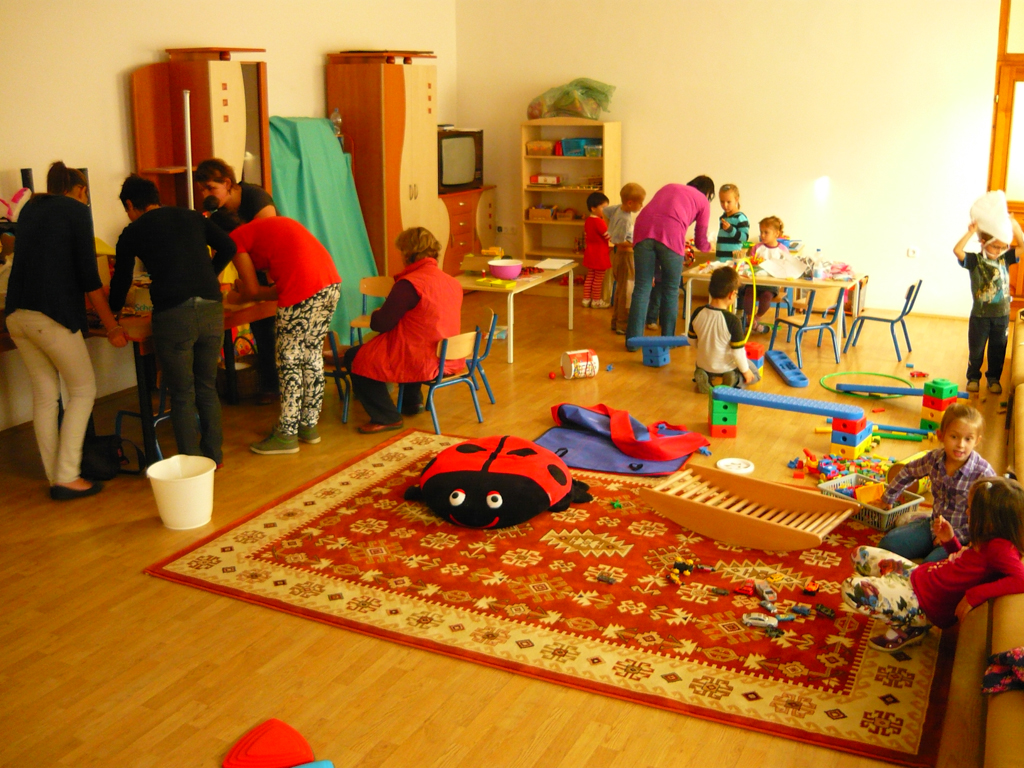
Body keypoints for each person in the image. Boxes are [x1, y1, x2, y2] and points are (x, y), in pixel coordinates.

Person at [5, 162, 127, 500]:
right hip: (51, 317)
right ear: (80, 189)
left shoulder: (30, 209)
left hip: (16, 315)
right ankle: (68, 475)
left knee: (46, 395)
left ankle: (55, 476)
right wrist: (112, 326)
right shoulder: (75, 211)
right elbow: (90, 279)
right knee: (83, 390)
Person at [110, 175, 237, 468]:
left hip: (174, 314)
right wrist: (208, 275)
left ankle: (192, 465)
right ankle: (214, 457)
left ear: (130, 204)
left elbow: (122, 278)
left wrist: (113, 312)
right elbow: (228, 246)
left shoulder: (133, 231)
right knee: (206, 387)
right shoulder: (191, 216)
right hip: (211, 308)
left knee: (182, 394)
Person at [841, 476, 1024, 653]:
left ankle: (910, 625)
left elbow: (1021, 579)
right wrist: (950, 541)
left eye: (971, 510)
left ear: (991, 520)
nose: (967, 512)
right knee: (859, 554)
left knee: (850, 588)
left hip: (924, 603)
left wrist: (974, 595)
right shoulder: (990, 539)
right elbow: (965, 566)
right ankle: (893, 591)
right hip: (920, 576)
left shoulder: (1000, 548)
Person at [228, 217, 342, 454]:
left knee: (289, 362)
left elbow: (252, 290)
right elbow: (273, 290)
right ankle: (308, 426)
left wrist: (237, 297)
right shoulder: (264, 231)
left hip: (303, 289)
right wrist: (249, 291)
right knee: (312, 357)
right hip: (329, 284)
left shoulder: (235, 240)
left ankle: (287, 434)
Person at [343, 228, 463, 434]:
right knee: (412, 343)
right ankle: (412, 401)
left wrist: (376, 313)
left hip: (422, 358)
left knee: (356, 356)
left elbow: (382, 324)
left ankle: (387, 417)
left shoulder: (409, 284)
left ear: (408, 253)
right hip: (447, 355)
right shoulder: (451, 281)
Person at [194, 158, 280, 404]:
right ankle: (269, 385)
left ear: (227, 183)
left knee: (271, 328)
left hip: (272, 265)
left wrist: (260, 288)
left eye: (210, 188)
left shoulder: (255, 197)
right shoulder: (218, 212)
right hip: (250, 265)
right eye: (202, 190)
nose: (206, 195)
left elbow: (270, 238)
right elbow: (220, 252)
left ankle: (277, 386)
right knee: (261, 330)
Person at [878, 404, 994, 562]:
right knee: (887, 545)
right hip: (934, 526)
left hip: (962, 539)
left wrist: (952, 537)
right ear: (941, 435)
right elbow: (908, 472)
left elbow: (989, 518)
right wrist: (888, 497)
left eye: (968, 439)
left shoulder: (983, 473)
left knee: (931, 566)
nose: (961, 444)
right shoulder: (934, 458)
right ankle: (920, 524)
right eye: (954, 437)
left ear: (977, 441)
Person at [626, 176, 715, 345]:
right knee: (671, 289)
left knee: (642, 287)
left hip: (642, 229)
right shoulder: (703, 200)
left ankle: (633, 342)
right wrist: (708, 247)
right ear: (709, 193)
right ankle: (667, 340)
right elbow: (700, 240)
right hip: (671, 234)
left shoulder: (670, 186)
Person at [953, 217, 1024, 394]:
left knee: (998, 349)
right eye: (995, 247)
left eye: (1003, 247)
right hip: (980, 316)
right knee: (976, 349)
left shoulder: (1005, 258)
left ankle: (993, 379)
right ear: (983, 243)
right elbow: (957, 250)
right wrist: (971, 232)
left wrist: (1016, 227)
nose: (999, 251)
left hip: (1002, 316)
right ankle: (973, 377)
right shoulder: (974, 260)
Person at [686, 265, 755, 393]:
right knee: (753, 371)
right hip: (725, 367)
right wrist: (746, 371)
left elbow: (691, 340)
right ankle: (733, 378)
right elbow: (738, 353)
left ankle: (704, 375)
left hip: (703, 364)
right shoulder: (733, 320)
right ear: (731, 294)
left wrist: (705, 348)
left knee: (705, 364)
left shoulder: (698, 312)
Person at [605, 183, 646, 335]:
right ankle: (622, 324)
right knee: (626, 291)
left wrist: (609, 229)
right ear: (630, 203)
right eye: (640, 203)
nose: (642, 206)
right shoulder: (625, 219)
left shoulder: (617, 208)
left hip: (620, 256)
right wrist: (636, 243)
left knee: (621, 289)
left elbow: (605, 212)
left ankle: (616, 321)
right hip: (626, 256)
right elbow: (617, 240)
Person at [740, 216, 790, 334]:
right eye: (761, 232)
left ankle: (756, 318)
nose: (762, 235)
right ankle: (750, 319)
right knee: (748, 293)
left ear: (776, 233)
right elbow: (749, 263)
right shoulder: (757, 247)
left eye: (766, 232)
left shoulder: (782, 250)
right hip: (755, 282)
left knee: (766, 297)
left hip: (771, 284)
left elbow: (786, 268)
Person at [581, 192, 612, 309]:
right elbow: (608, 236)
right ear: (593, 208)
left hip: (590, 253)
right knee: (598, 279)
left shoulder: (588, 220)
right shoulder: (599, 222)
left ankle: (586, 299)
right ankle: (596, 300)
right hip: (600, 254)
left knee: (590, 277)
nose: (606, 210)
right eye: (604, 208)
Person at [715, 183, 749, 262]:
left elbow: (744, 237)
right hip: (720, 258)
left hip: (733, 259)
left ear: (736, 199)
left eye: (728, 202)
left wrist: (731, 229)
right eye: (722, 201)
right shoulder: (723, 217)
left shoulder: (740, 217)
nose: (725, 205)